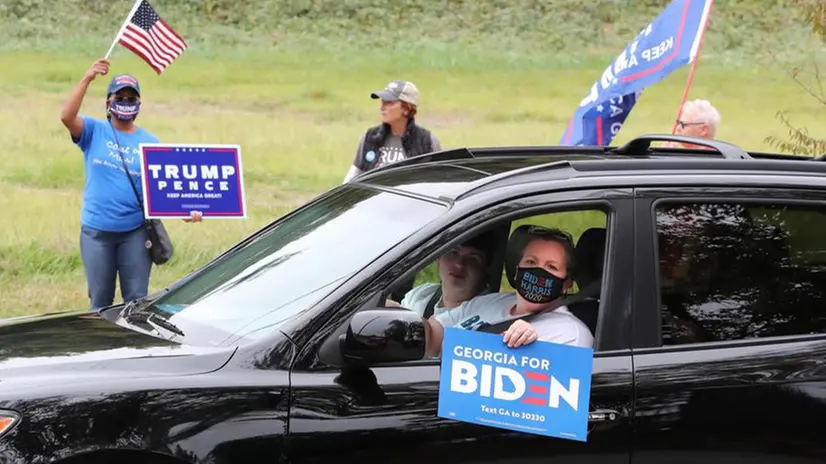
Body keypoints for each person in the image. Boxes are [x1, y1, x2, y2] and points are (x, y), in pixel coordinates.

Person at [60, 58, 202, 311]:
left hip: (134, 234)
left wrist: (186, 210)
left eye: (131, 98)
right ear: (108, 102)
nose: (125, 102)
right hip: (97, 233)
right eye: (120, 97)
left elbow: (165, 191)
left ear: (139, 104)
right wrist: (87, 78)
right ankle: (103, 350)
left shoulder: (150, 143)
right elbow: (66, 116)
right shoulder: (94, 131)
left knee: (136, 302)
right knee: (100, 302)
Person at [421, 226, 594, 356]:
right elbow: (435, 335)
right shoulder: (491, 302)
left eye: (551, 267)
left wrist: (530, 349)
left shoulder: (571, 334)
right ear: (517, 269)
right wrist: (399, 314)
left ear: (566, 283)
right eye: (531, 262)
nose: (539, 272)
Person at [342, 80, 442, 183]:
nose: (382, 107)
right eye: (382, 101)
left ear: (406, 109)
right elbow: (353, 176)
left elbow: (435, 181)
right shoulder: (371, 137)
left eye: (389, 103)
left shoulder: (426, 141)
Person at [389, 231, 497, 318]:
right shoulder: (420, 296)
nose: (459, 264)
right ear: (438, 258)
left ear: (486, 268)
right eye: (454, 252)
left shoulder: (493, 313)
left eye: (473, 259)